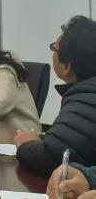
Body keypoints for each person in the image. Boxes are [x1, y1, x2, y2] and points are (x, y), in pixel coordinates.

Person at [15, 15, 96, 176]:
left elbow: (51, 157)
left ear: (67, 67)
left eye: (55, 48)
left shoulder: (86, 96)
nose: (53, 52)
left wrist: (26, 144)